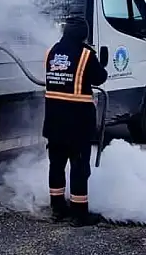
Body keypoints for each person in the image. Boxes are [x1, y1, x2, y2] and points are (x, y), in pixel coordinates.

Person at [42, 16, 108, 227]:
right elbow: (100, 78)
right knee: (79, 168)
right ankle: (79, 214)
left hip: (53, 122)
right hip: (77, 123)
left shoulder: (51, 52)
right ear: (83, 35)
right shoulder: (86, 55)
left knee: (56, 166)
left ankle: (57, 209)